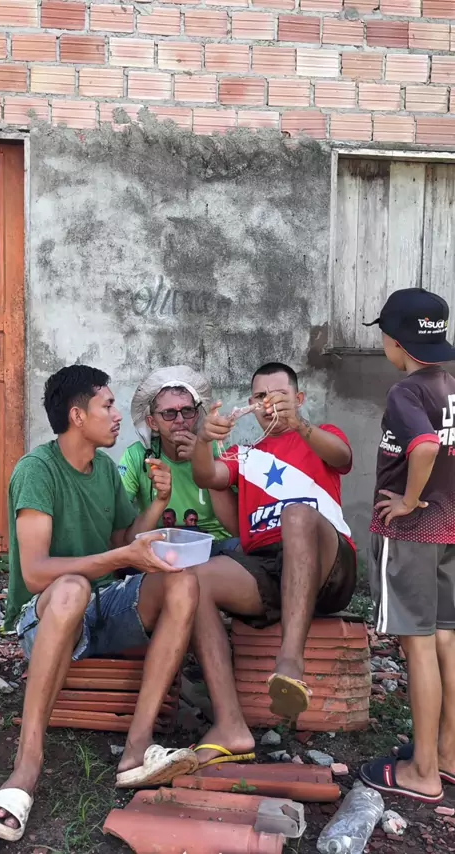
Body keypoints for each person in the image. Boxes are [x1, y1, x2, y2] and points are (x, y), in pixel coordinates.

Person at [0, 366, 199, 844]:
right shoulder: (37, 470)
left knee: (181, 581)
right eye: (108, 405)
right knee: (71, 588)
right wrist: (121, 558)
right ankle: (26, 766)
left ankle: (137, 748)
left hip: (99, 607)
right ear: (77, 416)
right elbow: (36, 572)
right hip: (46, 614)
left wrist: (158, 503)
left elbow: (123, 541)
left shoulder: (104, 470)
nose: (118, 415)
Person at [187, 362, 357, 767]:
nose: (269, 404)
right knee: (192, 581)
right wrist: (203, 439)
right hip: (267, 566)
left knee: (295, 514)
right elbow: (207, 475)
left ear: (298, 399)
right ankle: (230, 724)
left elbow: (344, 456)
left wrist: (300, 425)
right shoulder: (245, 456)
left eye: (279, 395)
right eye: (260, 397)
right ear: (250, 405)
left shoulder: (321, 434)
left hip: (329, 563)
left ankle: (290, 663)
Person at [358, 289, 455, 805]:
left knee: (417, 646)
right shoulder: (450, 386)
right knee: (444, 641)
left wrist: (409, 501)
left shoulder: (406, 392)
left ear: (395, 341)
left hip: (413, 536)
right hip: (449, 531)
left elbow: (424, 446)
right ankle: (447, 754)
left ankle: (422, 771)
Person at [118, 366, 239, 554]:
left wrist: (203, 461)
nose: (180, 420)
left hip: (215, 546)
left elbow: (237, 528)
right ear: (152, 423)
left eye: (187, 411)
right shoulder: (138, 456)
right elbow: (125, 542)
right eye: (169, 413)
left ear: (196, 415)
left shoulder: (217, 449)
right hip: (159, 548)